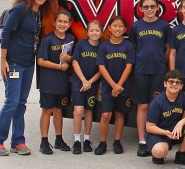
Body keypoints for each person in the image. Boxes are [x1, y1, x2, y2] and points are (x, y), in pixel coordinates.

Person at [0, 0, 56, 156]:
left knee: (21, 104)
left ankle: (18, 141)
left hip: (28, 64)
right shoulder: (21, 9)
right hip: (13, 63)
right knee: (11, 102)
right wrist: (2, 60)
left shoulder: (38, 13)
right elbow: (6, 33)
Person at [130, 0, 172, 157]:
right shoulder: (136, 26)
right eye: (146, 7)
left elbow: (168, 48)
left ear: (157, 8)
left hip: (159, 71)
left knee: (157, 106)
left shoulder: (164, 26)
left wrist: (164, 63)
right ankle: (142, 141)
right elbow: (133, 48)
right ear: (141, 9)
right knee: (142, 106)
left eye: (152, 6)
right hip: (141, 71)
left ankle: (155, 138)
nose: (149, 10)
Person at [36, 10, 75, 155]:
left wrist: (68, 59)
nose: (62, 24)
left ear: (70, 24)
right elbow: (40, 61)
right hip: (48, 82)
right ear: (54, 22)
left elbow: (74, 59)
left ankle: (59, 140)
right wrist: (59, 66)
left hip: (62, 82)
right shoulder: (48, 40)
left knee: (59, 110)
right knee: (47, 110)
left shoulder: (70, 39)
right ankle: (44, 142)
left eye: (65, 22)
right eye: (60, 21)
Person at [95, 16, 134, 155]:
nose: (118, 29)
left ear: (125, 29)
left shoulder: (128, 46)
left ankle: (117, 141)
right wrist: (113, 85)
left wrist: (119, 86)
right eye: (115, 26)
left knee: (119, 114)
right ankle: (102, 142)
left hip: (123, 86)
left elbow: (129, 67)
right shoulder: (104, 46)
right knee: (105, 114)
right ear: (109, 28)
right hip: (107, 86)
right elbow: (101, 66)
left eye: (120, 26)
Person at [145, 70, 185, 166]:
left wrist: (180, 123)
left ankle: (181, 155)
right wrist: (165, 132)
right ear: (165, 84)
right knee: (159, 152)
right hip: (159, 134)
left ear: (181, 86)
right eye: (171, 81)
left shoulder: (183, 95)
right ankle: (156, 152)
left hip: (175, 131)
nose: (174, 84)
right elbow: (149, 127)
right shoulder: (157, 102)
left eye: (177, 82)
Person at [70, 20, 103, 154]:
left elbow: (102, 69)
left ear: (101, 33)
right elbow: (75, 62)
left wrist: (90, 82)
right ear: (87, 33)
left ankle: (87, 140)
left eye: (97, 30)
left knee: (89, 111)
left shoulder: (102, 47)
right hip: (79, 83)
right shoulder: (81, 44)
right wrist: (84, 80)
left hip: (92, 84)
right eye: (91, 30)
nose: (94, 33)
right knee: (78, 111)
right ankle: (77, 140)